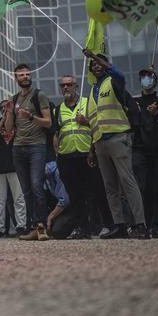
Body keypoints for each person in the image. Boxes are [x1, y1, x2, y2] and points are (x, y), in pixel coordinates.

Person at [83, 50, 149, 239]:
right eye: (93, 64)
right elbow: (94, 120)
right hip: (99, 143)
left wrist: (94, 57)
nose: (96, 65)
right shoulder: (92, 90)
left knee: (127, 181)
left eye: (99, 63)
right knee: (110, 186)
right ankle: (119, 225)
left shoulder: (114, 81)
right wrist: (91, 149)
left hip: (118, 137)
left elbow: (119, 74)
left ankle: (140, 224)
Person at [4, 63, 53, 241]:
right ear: (15, 78)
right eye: (21, 75)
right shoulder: (15, 98)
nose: (25, 77)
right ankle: (33, 227)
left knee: (36, 186)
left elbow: (48, 122)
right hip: (18, 148)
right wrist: (9, 113)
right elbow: (9, 130)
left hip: (36, 147)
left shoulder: (39, 95)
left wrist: (31, 117)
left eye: (27, 74)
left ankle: (42, 226)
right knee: (26, 191)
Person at [131, 68, 158, 238]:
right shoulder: (134, 100)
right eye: (143, 76)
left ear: (155, 79)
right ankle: (141, 225)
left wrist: (156, 116)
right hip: (139, 149)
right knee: (140, 188)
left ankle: (157, 226)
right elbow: (132, 124)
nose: (146, 79)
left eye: (149, 76)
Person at [52, 75, 95, 239]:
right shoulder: (57, 110)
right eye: (62, 85)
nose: (65, 88)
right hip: (67, 157)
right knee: (74, 195)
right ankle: (82, 228)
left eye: (69, 85)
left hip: (86, 154)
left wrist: (86, 121)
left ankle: (95, 226)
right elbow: (56, 134)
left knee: (89, 193)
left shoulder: (87, 103)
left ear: (76, 86)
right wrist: (57, 153)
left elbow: (98, 125)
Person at [0, 100, 27, 237]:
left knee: (19, 198)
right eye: (3, 107)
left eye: (8, 107)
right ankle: (0, 229)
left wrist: (11, 116)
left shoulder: (18, 124)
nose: (5, 109)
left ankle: (21, 226)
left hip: (15, 166)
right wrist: (4, 118)